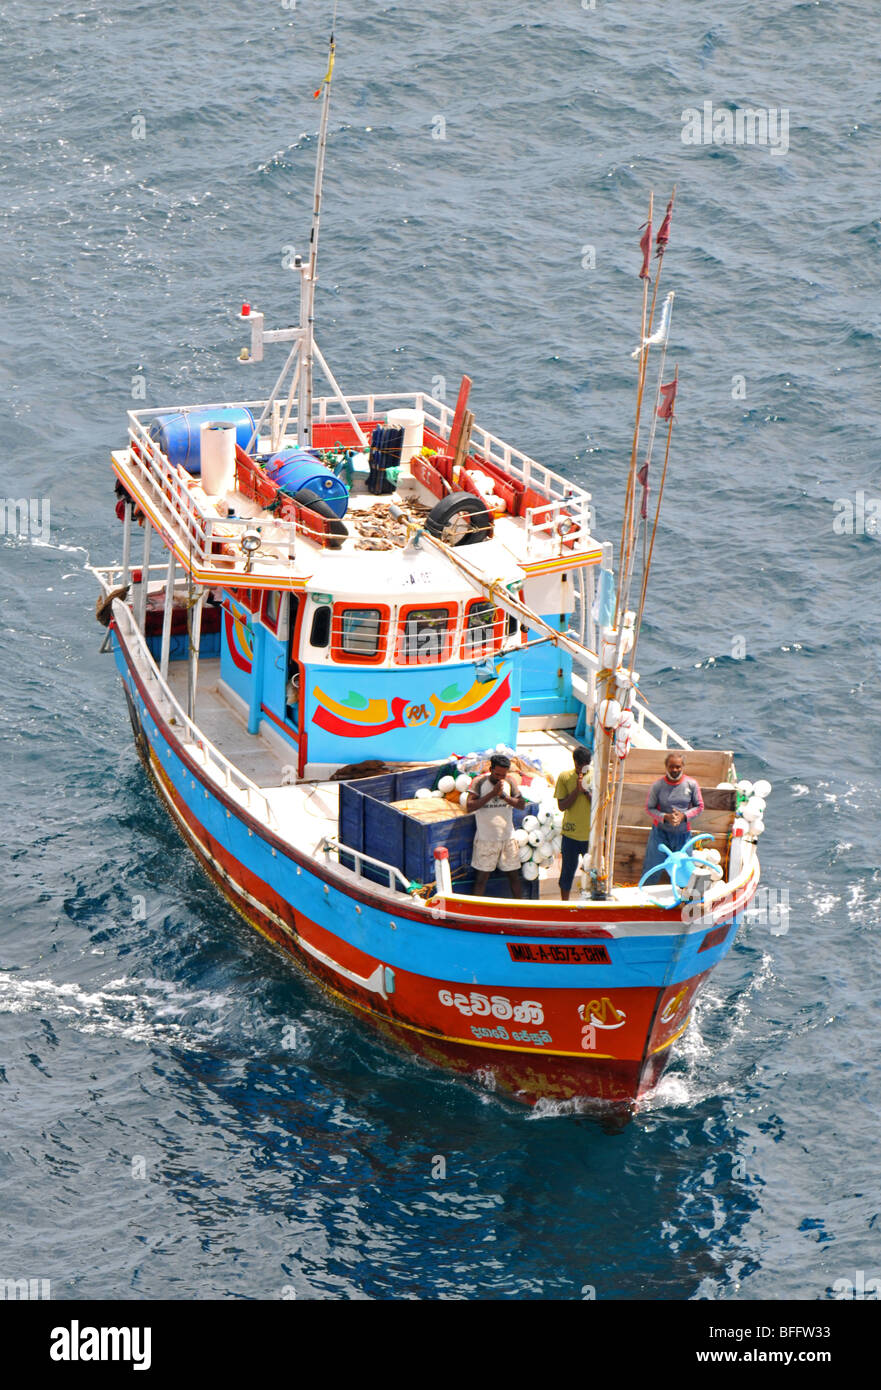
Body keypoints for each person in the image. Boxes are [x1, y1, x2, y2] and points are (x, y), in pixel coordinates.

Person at [467, 754, 525, 897]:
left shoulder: (510, 782)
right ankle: (475, 913)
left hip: (507, 838)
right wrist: (492, 794)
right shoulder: (479, 782)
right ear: (491, 769)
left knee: (514, 877)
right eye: (497, 774)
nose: (500, 778)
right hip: (486, 840)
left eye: (503, 775)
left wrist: (503, 796)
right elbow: (469, 806)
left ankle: (521, 910)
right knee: (481, 880)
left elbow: (521, 804)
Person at [642, 752, 704, 881]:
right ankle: (646, 895)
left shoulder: (692, 784)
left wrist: (683, 816)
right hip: (659, 834)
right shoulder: (657, 786)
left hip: (683, 835)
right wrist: (665, 817)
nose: (675, 770)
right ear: (666, 766)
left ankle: (691, 898)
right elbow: (649, 808)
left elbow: (699, 807)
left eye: (678, 767)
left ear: (683, 767)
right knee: (652, 869)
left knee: (686, 871)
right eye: (671, 767)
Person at [554, 746, 593, 901]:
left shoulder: (596, 777)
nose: (582, 769)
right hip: (570, 834)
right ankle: (565, 903)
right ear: (574, 762)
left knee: (592, 872)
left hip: (590, 835)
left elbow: (600, 805)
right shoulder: (564, 777)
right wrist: (577, 790)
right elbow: (562, 806)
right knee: (567, 873)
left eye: (586, 765)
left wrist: (585, 791)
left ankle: (591, 902)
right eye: (579, 765)